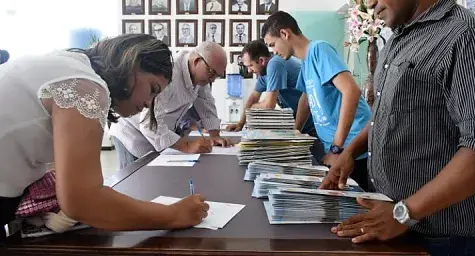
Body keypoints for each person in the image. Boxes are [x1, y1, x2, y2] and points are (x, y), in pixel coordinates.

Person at [320, 0, 475, 254]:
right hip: (400, 222)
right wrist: (350, 151)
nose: (369, 3)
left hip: (445, 238)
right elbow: (386, 115)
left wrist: (403, 212)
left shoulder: (464, 37)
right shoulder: (397, 39)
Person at [0, 34, 209, 241]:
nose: (148, 103)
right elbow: (82, 201)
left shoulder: (68, 64)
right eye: (152, 89)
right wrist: (173, 215)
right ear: (131, 62)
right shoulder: (86, 86)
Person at [262, 11, 371, 190]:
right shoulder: (305, 62)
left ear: (284, 33)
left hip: (354, 147)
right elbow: (306, 98)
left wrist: (336, 148)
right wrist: (295, 132)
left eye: (272, 44)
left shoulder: (319, 49)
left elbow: (351, 91)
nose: (273, 52)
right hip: (336, 148)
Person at [109, 41, 231, 169]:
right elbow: (149, 124)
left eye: (217, 76)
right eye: (211, 72)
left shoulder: (201, 78)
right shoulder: (169, 74)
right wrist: (187, 146)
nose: (212, 79)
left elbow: (206, 102)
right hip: (132, 133)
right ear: (196, 61)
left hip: (158, 132)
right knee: (134, 182)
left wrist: (215, 135)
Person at [227, 39, 315, 137]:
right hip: (302, 125)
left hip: (313, 122)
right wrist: (240, 123)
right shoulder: (264, 75)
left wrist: (253, 107)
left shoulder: (275, 63)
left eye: (250, 65)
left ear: (261, 60)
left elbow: (269, 104)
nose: (249, 71)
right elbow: (253, 98)